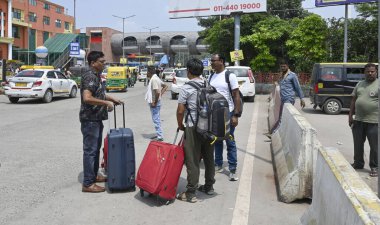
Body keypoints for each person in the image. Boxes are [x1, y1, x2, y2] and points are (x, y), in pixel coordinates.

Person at [80, 51, 123, 193]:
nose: (104, 64)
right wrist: (105, 103)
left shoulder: (96, 76)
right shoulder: (90, 76)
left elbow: (99, 93)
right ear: (93, 63)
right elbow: (87, 97)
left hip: (96, 119)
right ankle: (88, 183)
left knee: (95, 149)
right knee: (90, 151)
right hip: (90, 119)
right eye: (102, 62)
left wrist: (111, 99)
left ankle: (94, 176)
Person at [176, 58, 216, 203]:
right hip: (209, 126)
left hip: (193, 127)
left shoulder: (186, 87)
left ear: (188, 71)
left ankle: (191, 193)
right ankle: (209, 187)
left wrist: (180, 125)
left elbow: (180, 110)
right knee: (208, 157)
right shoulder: (207, 83)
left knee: (192, 159)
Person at [209, 53, 242, 181]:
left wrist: (236, 115)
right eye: (211, 61)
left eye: (213, 61)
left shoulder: (230, 76)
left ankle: (232, 169)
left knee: (229, 140)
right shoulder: (211, 76)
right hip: (214, 113)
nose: (211, 63)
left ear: (221, 61)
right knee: (216, 139)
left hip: (227, 112)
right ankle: (218, 164)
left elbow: (236, 95)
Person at [349, 63, 378, 177]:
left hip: (374, 121)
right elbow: (353, 100)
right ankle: (358, 163)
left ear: (376, 72)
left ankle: (375, 167)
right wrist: (350, 116)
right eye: (368, 71)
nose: (370, 73)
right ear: (364, 72)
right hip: (359, 120)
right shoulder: (359, 84)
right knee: (358, 144)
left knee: (375, 146)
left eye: (372, 71)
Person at [145, 66, 168, 141]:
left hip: (155, 102)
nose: (146, 73)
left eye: (147, 72)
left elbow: (157, 92)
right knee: (156, 118)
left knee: (156, 119)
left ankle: (160, 136)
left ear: (150, 72)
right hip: (156, 102)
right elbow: (165, 86)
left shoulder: (154, 79)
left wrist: (155, 101)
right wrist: (160, 94)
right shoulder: (156, 78)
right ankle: (159, 134)